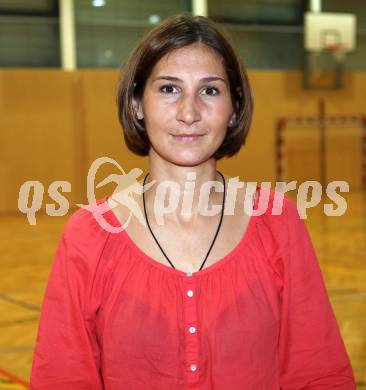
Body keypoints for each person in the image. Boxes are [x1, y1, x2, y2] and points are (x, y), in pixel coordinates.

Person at [30, 13, 356, 389]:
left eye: (210, 90)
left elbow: (318, 372)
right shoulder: (89, 236)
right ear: (137, 103)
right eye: (169, 89)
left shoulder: (277, 222)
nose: (189, 113)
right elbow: (62, 378)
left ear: (233, 109)